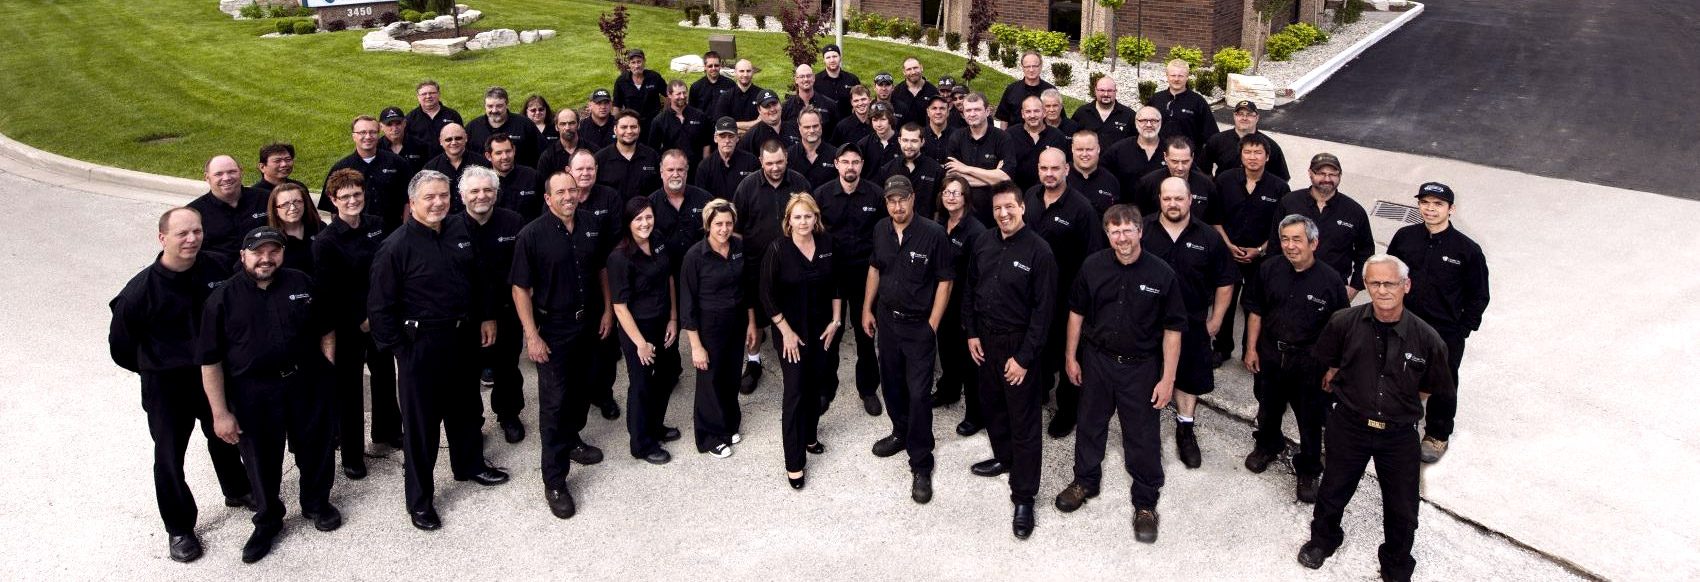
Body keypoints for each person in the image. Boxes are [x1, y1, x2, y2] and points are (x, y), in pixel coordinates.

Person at [108, 207, 254, 563]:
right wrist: (156, 368)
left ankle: (236, 489)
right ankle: (179, 528)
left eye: (197, 231)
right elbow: (121, 349)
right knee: (169, 458)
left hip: (213, 376)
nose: (192, 239)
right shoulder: (138, 293)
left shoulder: (217, 267)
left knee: (225, 435)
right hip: (166, 386)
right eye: (182, 234)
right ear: (162, 239)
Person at [368, 170, 510, 532]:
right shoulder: (395, 248)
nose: (438, 203)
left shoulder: (460, 231)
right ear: (412, 202)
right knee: (421, 429)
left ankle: (470, 465)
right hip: (421, 348)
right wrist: (403, 352)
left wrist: (486, 317)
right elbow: (380, 311)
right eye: (429, 197)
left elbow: (478, 280)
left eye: (443, 196)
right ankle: (420, 501)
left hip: (462, 338)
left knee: (465, 409)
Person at [1298, 255, 1454, 582]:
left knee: (1402, 507)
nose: (1382, 290)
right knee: (1333, 490)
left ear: (1406, 286)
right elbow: (1326, 362)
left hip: (1398, 436)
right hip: (1350, 425)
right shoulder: (1343, 322)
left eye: (1390, 283)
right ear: (1366, 285)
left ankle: (1396, 564)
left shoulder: (1428, 339)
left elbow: (1430, 388)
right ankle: (1323, 540)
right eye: (1374, 283)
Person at [198, 226, 339, 563]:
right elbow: (210, 361)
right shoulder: (222, 299)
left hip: (307, 383)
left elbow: (327, 327)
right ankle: (267, 520)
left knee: (316, 448)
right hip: (254, 393)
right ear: (243, 255)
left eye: (273, 251)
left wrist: (327, 367)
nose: (266, 258)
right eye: (258, 252)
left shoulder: (301, 283)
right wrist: (220, 413)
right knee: (261, 460)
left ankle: (316, 503)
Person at [1054, 204, 1186, 543]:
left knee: (1142, 436)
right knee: (1090, 425)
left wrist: (1167, 379)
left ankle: (1145, 503)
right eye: (1115, 231)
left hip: (1141, 368)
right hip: (1097, 361)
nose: (1122, 237)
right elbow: (1076, 314)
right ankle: (1085, 481)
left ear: (1140, 232)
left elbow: (1173, 330)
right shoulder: (1093, 266)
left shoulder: (1162, 274)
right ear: (1107, 234)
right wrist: (1071, 357)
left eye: (1128, 230)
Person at [963, 181, 1057, 540]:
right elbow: (970, 289)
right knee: (993, 408)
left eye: (1010, 207)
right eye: (998, 208)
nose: (1003, 213)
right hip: (985, 341)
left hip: (1019, 346)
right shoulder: (983, 242)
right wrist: (971, 333)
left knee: (1025, 421)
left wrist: (1023, 359)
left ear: (1023, 209)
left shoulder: (1040, 252)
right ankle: (1004, 458)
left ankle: (1024, 495)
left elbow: (1043, 312)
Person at [510, 172, 606, 519]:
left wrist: (607, 310)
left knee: (581, 390)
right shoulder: (531, 235)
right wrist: (531, 335)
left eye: (572, 190)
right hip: (552, 328)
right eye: (560, 192)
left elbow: (601, 271)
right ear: (548, 199)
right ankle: (554, 480)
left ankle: (573, 440)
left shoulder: (590, 225)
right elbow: (520, 288)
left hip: (587, 323)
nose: (569, 196)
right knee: (553, 403)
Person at [1241, 215, 1349, 503]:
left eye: (1296, 239)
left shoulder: (1331, 280)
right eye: (1285, 239)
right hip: (1271, 355)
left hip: (1310, 363)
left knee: (1311, 420)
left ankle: (1309, 469)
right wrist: (1251, 349)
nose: (1289, 246)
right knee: (1268, 408)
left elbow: (1341, 329)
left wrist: (1333, 368)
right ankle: (1267, 445)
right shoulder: (1268, 269)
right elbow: (1256, 311)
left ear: (1314, 242)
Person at [863, 175, 956, 504]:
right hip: (888, 322)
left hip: (919, 327)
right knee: (891, 386)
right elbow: (875, 268)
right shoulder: (881, 230)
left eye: (902, 199)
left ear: (913, 198)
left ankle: (921, 462)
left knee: (919, 395)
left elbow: (945, 282)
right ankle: (900, 432)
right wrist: (866, 309)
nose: (897, 206)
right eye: (891, 200)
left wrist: (932, 325)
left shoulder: (933, 234)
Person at [1386, 182, 1490, 463]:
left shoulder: (1467, 250)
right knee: (1398, 370)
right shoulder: (1405, 237)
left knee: (1443, 382)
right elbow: (1389, 273)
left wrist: (1462, 329)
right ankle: (1397, 418)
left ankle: (1437, 434)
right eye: (1425, 203)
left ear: (1450, 209)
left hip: (1446, 331)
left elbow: (1479, 295)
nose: (1430, 209)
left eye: (1438, 204)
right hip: (1404, 323)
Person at [1141, 178, 1236, 468]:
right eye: (1167, 198)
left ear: (1190, 200)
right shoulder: (1142, 230)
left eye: (1178, 199)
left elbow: (1225, 280)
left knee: (1188, 379)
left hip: (1191, 324)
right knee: (1144, 377)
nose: (1173, 204)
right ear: (1159, 199)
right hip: (1146, 322)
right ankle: (1145, 435)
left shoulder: (1208, 237)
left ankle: (1185, 429)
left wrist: (1217, 319)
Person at [312, 170, 399, 481]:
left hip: (379, 315)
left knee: (386, 375)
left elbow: (387, 269)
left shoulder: (376, 225)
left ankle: (387, 431)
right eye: (344, 197)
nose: (352, 201)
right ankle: (351, 454)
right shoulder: (326, 241)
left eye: (357, 194)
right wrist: (359, 318)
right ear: (333, 201)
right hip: (349, 324)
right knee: (349, 391)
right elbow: (328, 290)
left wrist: (379, 312)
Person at [759, 193, 841, 489]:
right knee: (795, 393)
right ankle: (794, 462)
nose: (803, 222)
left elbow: (836, 284)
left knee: (818, 385)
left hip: (821, 331)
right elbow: (766, 296)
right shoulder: (778, 249)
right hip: (790, 334)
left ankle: (809, 436)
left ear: (815, 218)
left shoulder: (827, 245)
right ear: (788, 221)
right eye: (798, 217)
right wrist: (786, 331)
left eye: (808, 216)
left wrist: (836, 320)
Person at [1022, 148, 1103, 439]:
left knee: (1069, 354)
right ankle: (1041, 391)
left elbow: (1093, 258)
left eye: (1055, 169)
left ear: (1066, 169)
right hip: (1032, 296)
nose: (1049, 174)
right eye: (1044, 168)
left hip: (1066, 298)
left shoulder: (1082, 209)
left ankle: (1068, 411)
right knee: (1037, 348)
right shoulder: (1029, 197)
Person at [731, 140, 812, 393]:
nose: (775, 167)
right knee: (754, 316)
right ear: (760, 161)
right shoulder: (746, 187)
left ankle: (798, 353)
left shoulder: (800, 182)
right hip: (756, 263)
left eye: (779, 162)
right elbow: (737, 229)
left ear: (786, 157)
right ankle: (754, 361)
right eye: (769, 163)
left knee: (792, 309)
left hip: (793, 263)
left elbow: (810, 218)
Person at [609, 197, 685, 465]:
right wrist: (640, 343)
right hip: (637, 331)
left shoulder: (659, 240)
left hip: (664, 323)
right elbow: (619, 307)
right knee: (641, 385)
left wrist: (674, 318)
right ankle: (641, 443)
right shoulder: (619, 257)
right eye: (638, 219)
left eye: (648, 217)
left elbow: (670, 278)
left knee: (665, 377)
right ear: (628, 223)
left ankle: (655, 426)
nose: (645, 223)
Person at [455, 165, 528, 443]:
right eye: (474, 191)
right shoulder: (452, 228)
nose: (481, 196)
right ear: (462, 196)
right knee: (467, 372)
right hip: (468, 316)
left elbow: (522, 269)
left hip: (507, 312)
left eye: (487, 190)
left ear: (496, 193)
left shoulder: (514, 222)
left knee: (507, 367)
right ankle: (473, 421)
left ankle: (509, 414)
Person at [680, 199, 757, 458]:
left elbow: (746, 290)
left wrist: (752, 324)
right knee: (710, 379)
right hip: (709, 326)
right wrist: (696, 346)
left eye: (728, 223)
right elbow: (687, 303)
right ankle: (710, 436)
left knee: (731, 375)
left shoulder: (738, 247)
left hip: (736, 322)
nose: (724, 229)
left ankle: (728, 424)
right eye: (718, 224)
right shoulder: (695, 256)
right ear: (708, 225)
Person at [814, 144, 887, 415]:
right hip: (830, 277)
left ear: (862, 164)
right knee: (830, 333)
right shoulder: (821, 195)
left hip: (864, 277)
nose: (850, 167)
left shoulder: (876, 195)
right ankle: (825, 388)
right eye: (845, 162)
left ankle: (867, 388)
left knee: (865, 333)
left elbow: (883, 236)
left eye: (855, 162)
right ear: (836, 164)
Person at [1209, 133, 1287, 364]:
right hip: (1228, 252)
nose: (1252, 157)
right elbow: (1215, 217)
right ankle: (1222, 348)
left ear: (1267, 156)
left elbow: (1280, 227)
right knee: (1225, 301)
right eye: (1247, 152)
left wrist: (1260, 249)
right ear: (1240, 155)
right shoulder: (1224, 180)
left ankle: (1250, 350)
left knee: (1256, 304)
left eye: (1258, 153)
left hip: (1260, 257)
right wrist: (1228, 245)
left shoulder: (1280, 188)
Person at [1272, 153, 1374, 300]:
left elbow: (1365, 251)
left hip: (1332, 289)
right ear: (1310, 173)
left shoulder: (1354, 211)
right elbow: (1275, 243)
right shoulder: (1289, 203)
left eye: (1333, 174)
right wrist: (1274, 279)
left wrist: (1354, 287)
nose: (1327, 179)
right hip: (1289, 283)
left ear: (1340, 176)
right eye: (1321, 173)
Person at [930, 175, 986, 433]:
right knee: (947, 351)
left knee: (969, 362)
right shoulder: (939, 222)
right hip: (943, 301)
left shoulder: (976, 231)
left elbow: (979, 276)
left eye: (956, 192)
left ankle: (976, 413)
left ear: (966, 198)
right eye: (946, 192)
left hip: (966, 303)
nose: (951, 196)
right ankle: (948, 391)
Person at [322, 115, 413, 227]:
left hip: (392, 233)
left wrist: (404, 229)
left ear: (378, 134)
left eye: (373, 132)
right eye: (362, 133)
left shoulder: (398, 163)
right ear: (354, 136)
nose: (368, 136)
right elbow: (333, 208)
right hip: (357, 236)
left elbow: (408, 200)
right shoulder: (341, 168)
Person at [941, 93, 1012, 226]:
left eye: (977, 109)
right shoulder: (956, 137)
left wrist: (965, 169)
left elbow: (1005, 178)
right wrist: (992, 177)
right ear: (963, 113)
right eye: (968, 110)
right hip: (963, 214)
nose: (972, 114)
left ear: (987, 111)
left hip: (994, 214)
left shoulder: (1003, 138)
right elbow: (952, 177)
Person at [189, 155, 269, 257]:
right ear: (207, 177)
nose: (226, 178)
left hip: (265, 266)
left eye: (232, 172)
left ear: (241, 172)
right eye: (218, 174)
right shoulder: (194, 213)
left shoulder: (265, 199)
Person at [650, 149, 712, 273]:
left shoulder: (705, 200)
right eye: (670, 170)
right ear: (661, 172)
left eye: (680, 170)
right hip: (665, 273)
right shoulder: (650, 205)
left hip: (702, 270)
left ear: (687, 172)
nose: (675, 174)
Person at [1201, 100, 1289, 180]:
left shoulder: (1270, 145)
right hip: (1222, 194)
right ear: (1234, 116)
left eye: (1249, 114)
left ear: (1257, 117)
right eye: (1240, 114)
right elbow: (1203, 169)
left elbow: (1282, 178)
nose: (1244, 118)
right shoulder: (1217, 140)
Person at [1147, 60, 1218, 158]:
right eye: (1173, 75)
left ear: (1187, 77)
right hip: (1157, 157)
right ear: (1167, 76)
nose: (1176, 79)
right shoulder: (1156, 99)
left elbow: (1211, 135)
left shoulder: (1198, 102)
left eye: (1180, 76)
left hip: (1187, 161)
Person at [1133, 136, 1215, 217]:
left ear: (1192, 157)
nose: (1180, 167)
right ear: (1165, 157)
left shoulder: (1206, 185)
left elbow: (1213, 221)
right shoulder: (1148, 183)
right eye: (1175, 161)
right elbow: (1139, 217)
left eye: (1185, 162)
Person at [877, 123, 945, 220]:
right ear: (899, 141)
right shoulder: (887, 170)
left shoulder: (936, 170)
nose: (909, 146)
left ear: (922, 142)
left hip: (926, 230)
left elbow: (939, 207)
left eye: (914, 141)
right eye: (905, 140)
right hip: (895, 228)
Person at [420, 123, 490, 213]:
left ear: (466, 138)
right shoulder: (431, 168)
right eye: (448, 139)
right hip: (444, 219)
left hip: (476, 217)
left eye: (458, 138)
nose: (453, 142)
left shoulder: (482, 164)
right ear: (441, 141)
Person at [466, 86, 543, 167]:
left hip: (519, 177)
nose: (494, 110)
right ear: (485, 106)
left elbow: (543, 151)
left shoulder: (524, 124)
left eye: (499, 106)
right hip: (483, 178)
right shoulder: (473, 128)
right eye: (490, 106)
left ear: (507, 104)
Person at [595, 109, 663, 201]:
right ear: (615, 130)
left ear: (639, 129)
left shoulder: (652, 156)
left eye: (633, 127)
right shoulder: (600, 159)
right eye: (624, 127)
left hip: (645, 213)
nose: (629, 131)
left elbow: (660, 189)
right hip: (613, 214)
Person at [649, 79, 712, 175]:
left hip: (696, 170)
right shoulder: (659, 121)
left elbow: (706, 144)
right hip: (673, 172)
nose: (682, 97)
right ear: (669, 95)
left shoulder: (700, 116)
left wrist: (705, 166)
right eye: (678, 94)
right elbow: (654, 150)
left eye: (684, 93)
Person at [1005, 95, 1067, 192]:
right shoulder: (1010, 135)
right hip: (1016, 193)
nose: (1032, 115)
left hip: (1047, 193)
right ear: (1022, 114)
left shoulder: (1057, 136)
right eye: (1028, 111)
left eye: (1036, 111)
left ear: (1044, 113)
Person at [1103, 106, 1167, 200]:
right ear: (1136, 123)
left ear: (1160, 123)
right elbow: (1102, 175)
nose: (1149, 125)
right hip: (1127, 210)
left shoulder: (1171, 150)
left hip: (1162, 211)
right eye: (1143, 120)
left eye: (1154, 120)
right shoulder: (1119, 149)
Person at [264, 183, 322, 274]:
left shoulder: (320, 227)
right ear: (275, 210)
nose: (293, 208)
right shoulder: (269, 239)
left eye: (297, 201)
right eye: (285, 204)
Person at [697, 117, 760, 199]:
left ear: (737, 138)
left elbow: (756, 194)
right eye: (722, 136)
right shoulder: (704, 167)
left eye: (731, 136)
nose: (727, 141)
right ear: (715, 138)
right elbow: (702, 199)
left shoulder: (751, 161)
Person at [488, 133, 546, 222]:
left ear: (514, 150)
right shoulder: (484, 181)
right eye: (498, 153)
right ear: (488, 156)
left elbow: (546, 207)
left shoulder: (532, 176)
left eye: (508, 151)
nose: (505, 157)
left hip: (530, 233)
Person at [995, 52, 1056, 128]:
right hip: (1014, 137)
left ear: (1041, 66)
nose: (1031, 70)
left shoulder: (1050, 90)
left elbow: (1057, 119)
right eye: (1027, 66)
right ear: (1022, 67)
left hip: (1043, 138)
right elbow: (1004, 119)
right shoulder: (1011, 89)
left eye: (1035, 66)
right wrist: (1004, 138)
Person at [406, 80, 464, 160]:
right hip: (420, 162)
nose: (428, 96)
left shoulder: (452, 116)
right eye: (424, 94)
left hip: (448, 160)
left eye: (432, 93)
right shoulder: (410, 118)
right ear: (418, 97)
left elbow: (461, 139)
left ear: (438, 94)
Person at [1072, 76, 1136, 148]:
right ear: (1095, 91)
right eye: (1102, 90)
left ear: (1115, 91)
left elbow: (1137, 143)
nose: (1106, 94)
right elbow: (1072, 139)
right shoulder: (1082, 113)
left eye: (1110, 91)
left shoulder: (1129, 115)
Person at [786, 108, 840, 190]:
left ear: (821, 125)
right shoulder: (788, 155)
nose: (812, 130)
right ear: (799, 127)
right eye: (807, 127)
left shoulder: (836, 155)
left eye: (815, 126)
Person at [1068, 130, 1121, 213]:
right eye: (1080, 149)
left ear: (1098, 149)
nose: (1084, 154)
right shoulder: (1061, 177)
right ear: (1072, 149)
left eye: (1089, 149)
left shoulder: (1111, 181)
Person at [613, 49, 667, 127]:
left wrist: (663, 115)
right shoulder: (621, 81)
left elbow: (668, 95)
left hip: (653, 123)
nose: (637, 66)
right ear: (629, 64)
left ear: (644, 61)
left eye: (639, 61)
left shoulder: (654, 77)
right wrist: (616, 124)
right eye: (633, 62)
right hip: (631, 124)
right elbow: (616, 106)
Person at [784, 64, 838, 136]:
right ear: (796, 80)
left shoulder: (830, 105)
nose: (806, 79)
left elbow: (836, 135)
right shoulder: (786, 108)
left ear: (813, 78)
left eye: (808, 76)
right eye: (802, 76)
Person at [715, 59, 767, 132]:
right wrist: (755, 123)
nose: (745, 74)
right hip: (732, 140)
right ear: (735, 72)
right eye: (741, 71)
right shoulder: (725, 97)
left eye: (748, 71)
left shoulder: (762, 95)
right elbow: (721, 123)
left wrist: (732, 125)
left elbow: (766, 122)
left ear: (753, 72)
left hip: (757, 139)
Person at [738, 89, 794, 155]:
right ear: (759, 110)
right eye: (767, 106)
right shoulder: (751, 137)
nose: (772, 109)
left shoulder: (794, 128)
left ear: (780, 104)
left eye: (774, 104)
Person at [377, 106, 430, 175]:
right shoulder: (376, 148)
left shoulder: (420, 146)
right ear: (381, 127)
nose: (394, 128)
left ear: (404, 123)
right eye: (389, 124)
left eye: (398, 123)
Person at [890, 57, 938, 132]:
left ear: (921, 68)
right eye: (909, 69)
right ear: (904, 72)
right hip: (903, 139)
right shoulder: (896, 92)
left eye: (915, 68)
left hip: (926, 138)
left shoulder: (932, 91)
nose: (913, 72)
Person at [815, 44, 861, 120]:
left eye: (835, 56)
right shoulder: (816, 81)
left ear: (840, 58)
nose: (832, 60)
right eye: (828, 57)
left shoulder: (852, 79)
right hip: (825, 126)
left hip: (848, 125)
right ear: (824, 60)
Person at [536, 108, 586, 178]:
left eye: (571, 123)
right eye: (563, 124)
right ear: (556, 127)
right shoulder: (547, 157)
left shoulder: (592, 151)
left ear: (578, 125)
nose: (567, 127)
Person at [689, 51, 735, 124]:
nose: (713, 68)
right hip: (702, 127)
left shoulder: (730, 85)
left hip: (723, 126)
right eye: (710, 66)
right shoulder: (696, 87)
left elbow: (734, 108)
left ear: (720, 65)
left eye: (716, 65)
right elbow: (691, 111)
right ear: (705, 67)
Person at [856, 103, 902, 172]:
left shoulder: (903, 142)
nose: (879, 124)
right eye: (875, 120)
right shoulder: (863, 144)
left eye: (883, 119)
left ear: (891, 119)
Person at [919, 93, 955, 162]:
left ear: (948, 112)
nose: (938, 112)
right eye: (934, 108)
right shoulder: (919, 135)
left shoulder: (958, 136)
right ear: (928, 112)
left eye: (942, 108)